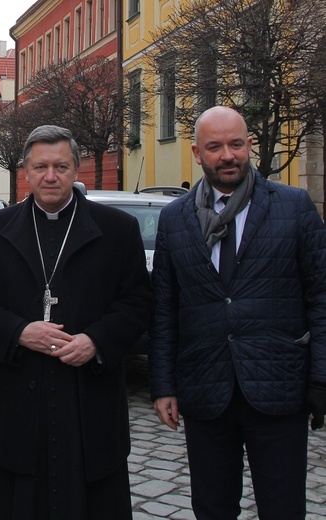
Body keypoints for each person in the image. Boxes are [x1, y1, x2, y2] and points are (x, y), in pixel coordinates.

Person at [0, 125, 153, 519]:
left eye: (61, 166)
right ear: (25, 173)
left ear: (75, 169)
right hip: (20, 392)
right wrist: (18, 331)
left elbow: (138, 303)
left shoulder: (118, 229)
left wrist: (97, 341)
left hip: (90, 395)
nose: (51, 176)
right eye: (41, 167)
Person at [149, 106, 326, 520]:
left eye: (236, 144)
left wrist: (321, 376)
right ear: (197, 153)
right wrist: (162, 386)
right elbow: (165, 309)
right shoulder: (175, 219)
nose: (227, 155)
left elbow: (321, 297)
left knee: (282, 507)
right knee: (212, 507)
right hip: (206, 389)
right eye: (215, 147)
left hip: (278, 387)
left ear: (248, 146)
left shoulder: (294, 206)